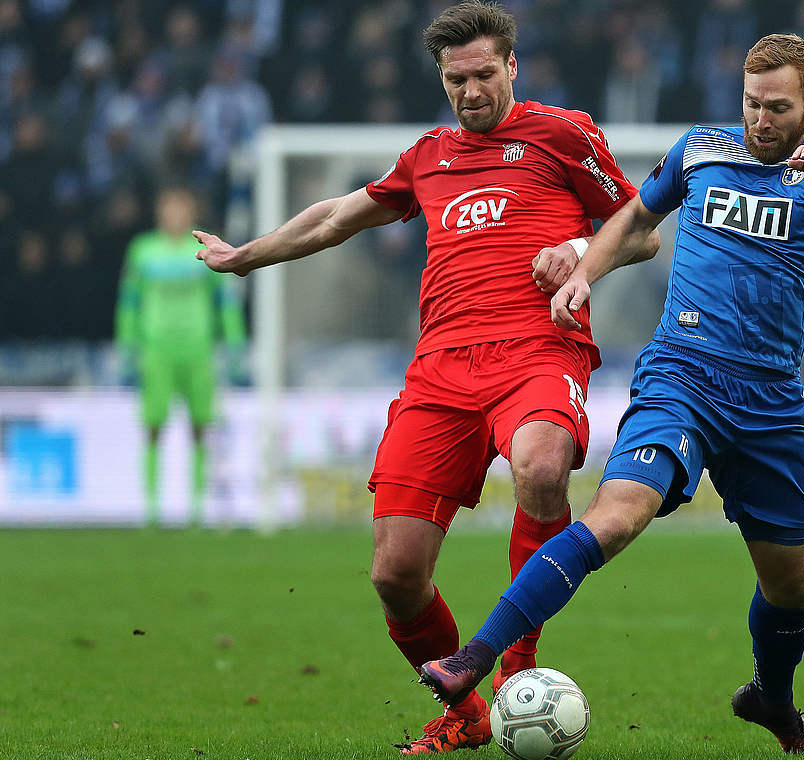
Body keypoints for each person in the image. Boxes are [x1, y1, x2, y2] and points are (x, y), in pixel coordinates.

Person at [418, 33, 804, 755]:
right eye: (752, 104)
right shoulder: (702, 149)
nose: (761, 121)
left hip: (770, 399)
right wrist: (584, 274)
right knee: (618, 517)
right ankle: (476, 658)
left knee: (794, 586)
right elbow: (634, 218)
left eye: (778, 108)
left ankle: (772, 700)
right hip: (682, 377)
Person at [193, 2, 659, 753]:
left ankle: (515, 669)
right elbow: (337, 217)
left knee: (542, 467)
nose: (470, 92)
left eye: (482, 75)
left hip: (538, 349)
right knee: (394, 574)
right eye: (455, 80)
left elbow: (641, 228)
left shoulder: (563, 134)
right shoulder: (427, 155)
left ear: (512, 65)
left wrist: (576, 247)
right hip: (440, 371)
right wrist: (246, 256)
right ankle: (467, 715)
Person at [116, 186, 246, 528]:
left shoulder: (204, 250)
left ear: (191, 213)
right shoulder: (143, 251)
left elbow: (226, 300)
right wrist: (128, 344)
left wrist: (234, 341)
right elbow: (130, 300)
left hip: (198, 349)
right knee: (153, 427)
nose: (174, 215)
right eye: (169, 208)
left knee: (200, 427)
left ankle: (197, 511)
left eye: (181, 208)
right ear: (160, 212)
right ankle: (152, 510)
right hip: (156, 350)